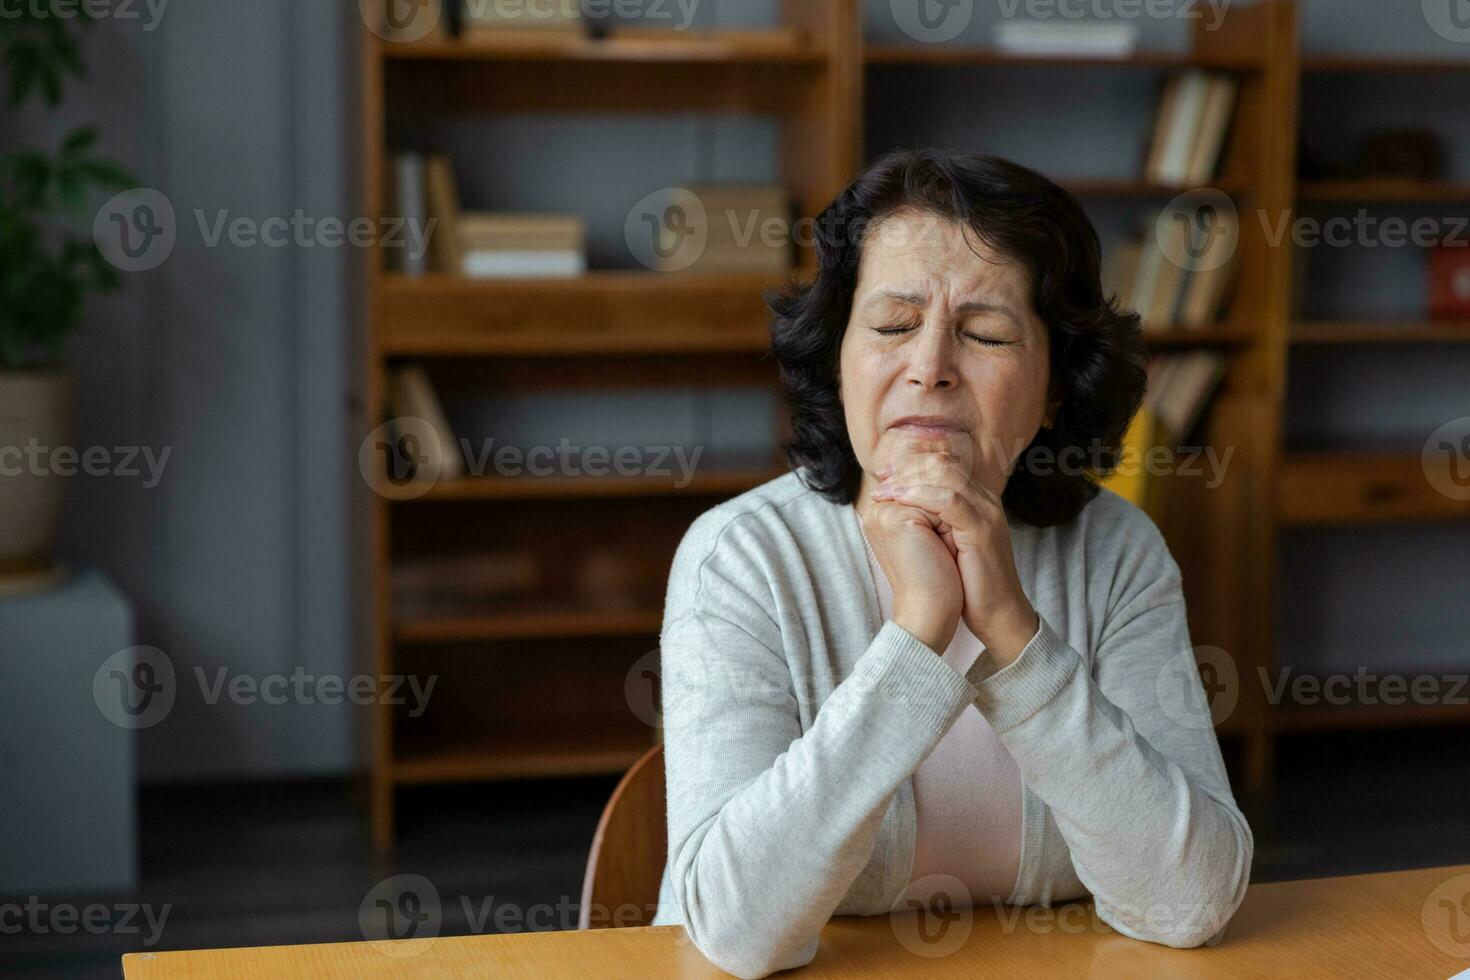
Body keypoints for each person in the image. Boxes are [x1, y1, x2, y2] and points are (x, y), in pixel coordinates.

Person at [647, 148, 1252, 979]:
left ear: (1053, 392)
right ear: (838, 358)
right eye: (892, 326)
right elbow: (737, 931)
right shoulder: (741, 558)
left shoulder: (1115, 552)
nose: (928, 365)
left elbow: (1191, 902)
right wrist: (919, 631)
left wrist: (1012, 631)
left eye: (987, 333)